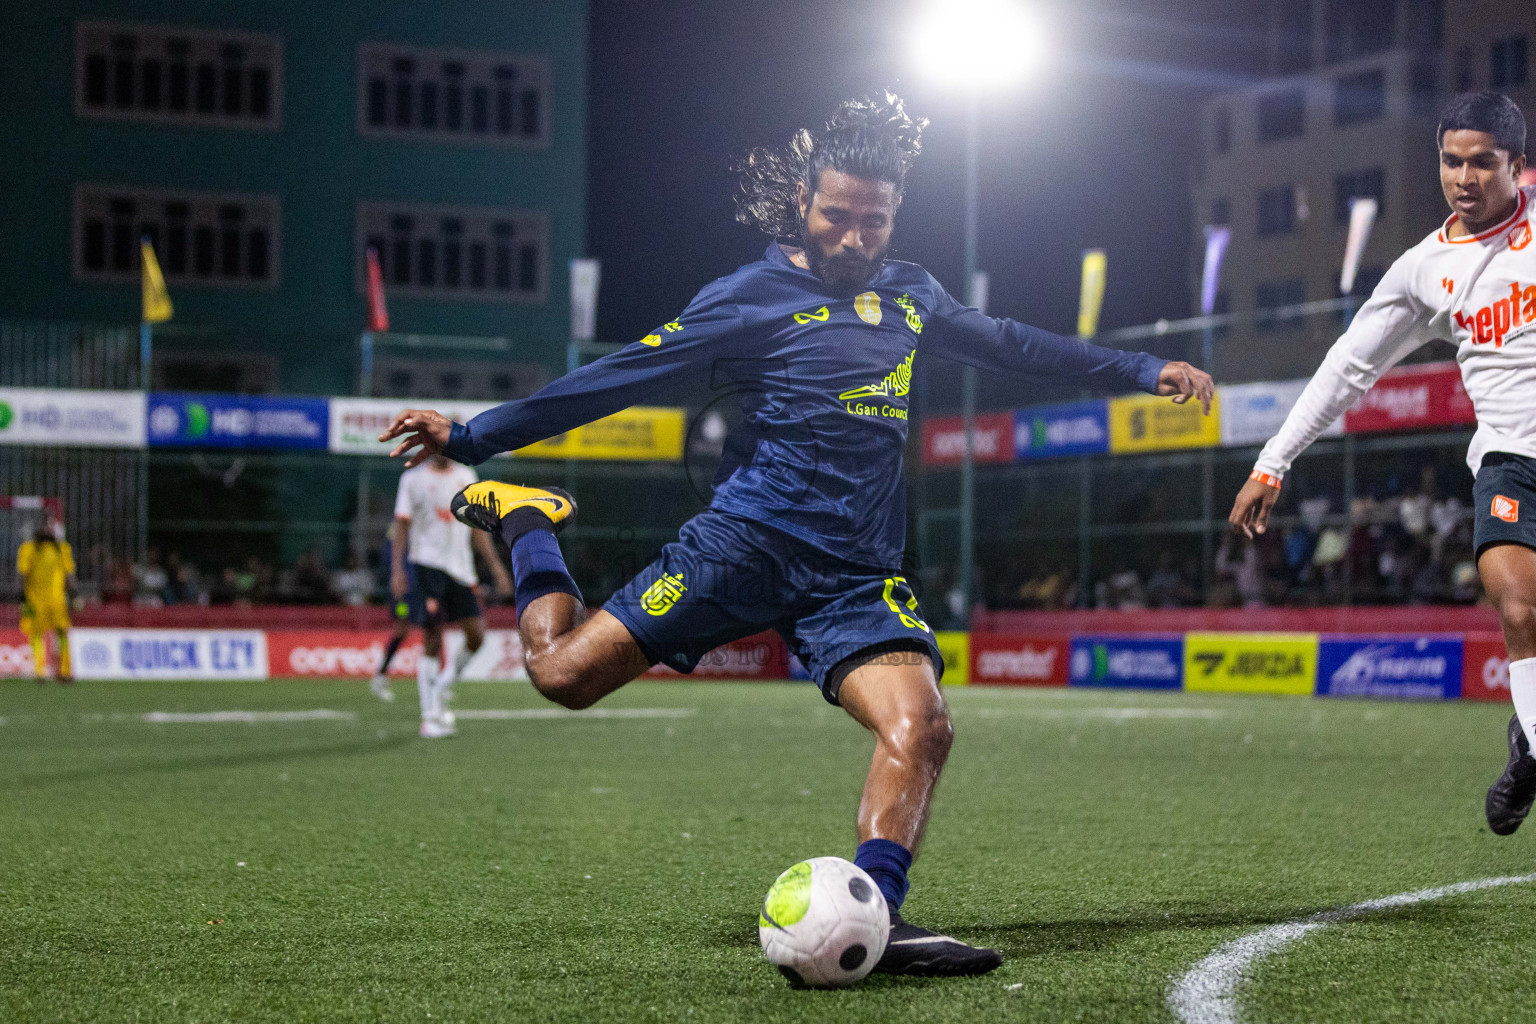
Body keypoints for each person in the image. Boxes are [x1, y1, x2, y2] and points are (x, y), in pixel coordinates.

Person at [381, 94, 1212, 974]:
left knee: (922, 724)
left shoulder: (912, 293)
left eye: (875, 221)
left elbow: (1011, 343)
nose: (856, 238)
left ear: (895, 217)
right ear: (804, 208)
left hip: (855, 574)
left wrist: (1140, 366)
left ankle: (874, 918)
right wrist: (473, 438)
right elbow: (621, 375)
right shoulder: (748, 296)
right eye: (838, 217)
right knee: (560, 675)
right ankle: (526, 519)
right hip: (744, 547)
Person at [1227, 92, 1536, 834]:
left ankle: (1528, 747)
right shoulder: (1423, 269)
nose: (1464, 177)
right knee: (1520, 604)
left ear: (1519, 168)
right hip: (1509, 462)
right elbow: (1346, 369)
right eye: (1451, 161)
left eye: (1483, 163)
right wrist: (1274, 461)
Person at [388, 455, 513, 737]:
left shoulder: (467, 475)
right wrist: (397, 570)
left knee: (477, 636)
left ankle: (443, 685)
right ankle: (429, 716)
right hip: (426, 564)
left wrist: (495, 566)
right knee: (432, 635)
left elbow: (476, 527)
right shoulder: (413, 479)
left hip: (460, 568)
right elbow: (402, 526)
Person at [17, 522, 76, 683]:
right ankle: (39, 671)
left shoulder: (62, 548)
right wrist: (22, 595)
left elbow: (69, 572)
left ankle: (65, 670)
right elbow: (23, 572)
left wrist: (74, 593)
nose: (46, 530)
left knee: (62, 632)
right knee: (36, 634)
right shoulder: (28, 548)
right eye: (44, 526)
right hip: (35, 600)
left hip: (57, 600)